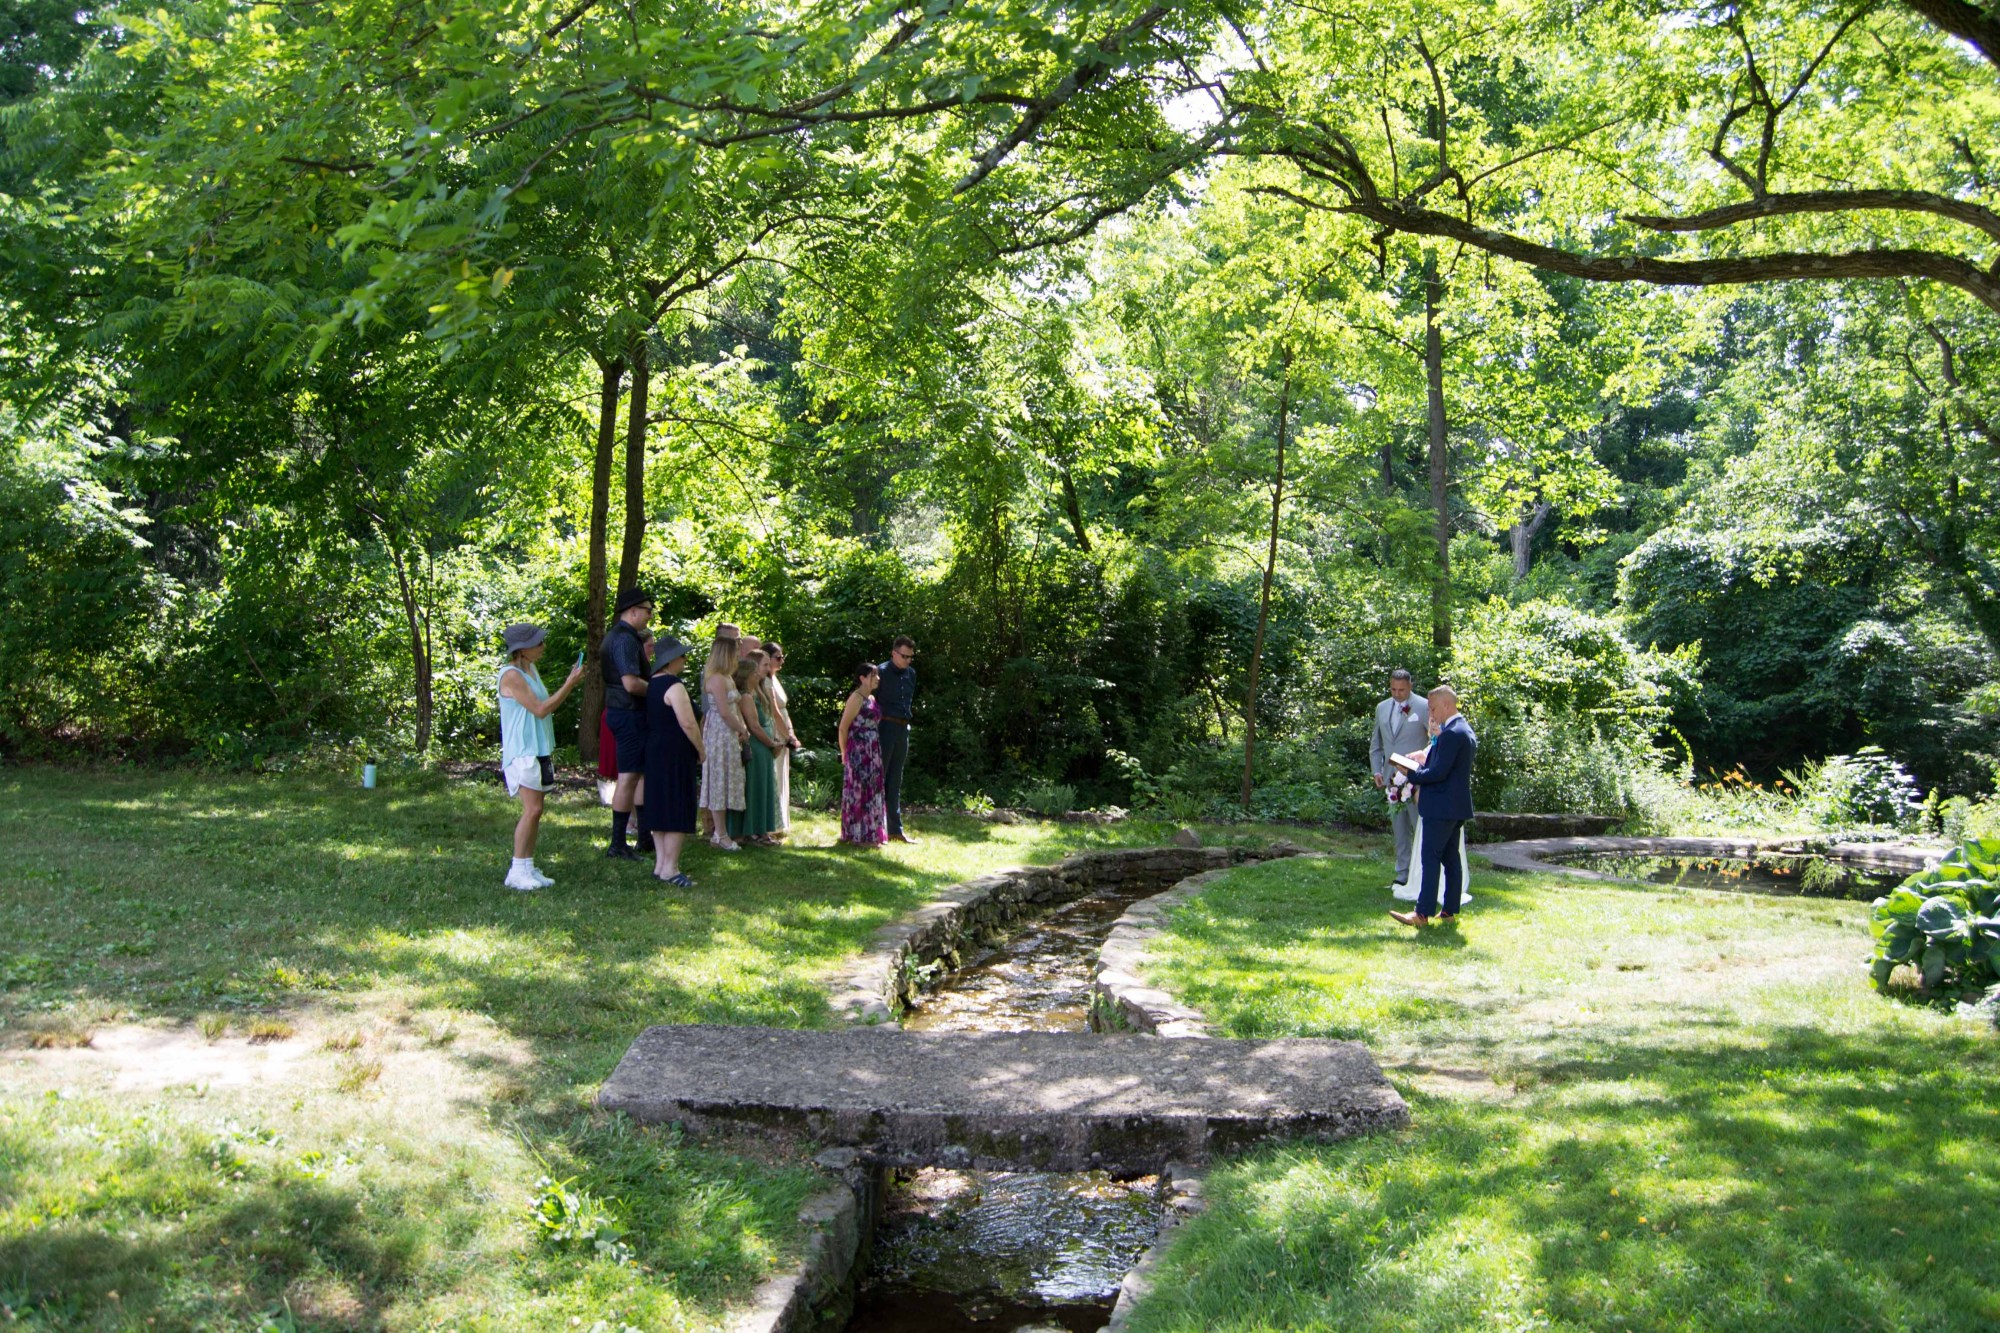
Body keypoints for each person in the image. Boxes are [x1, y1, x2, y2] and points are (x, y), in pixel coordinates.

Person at [497, 622, 584, 892]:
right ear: (522, 649)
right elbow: (541, 709)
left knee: (537, 811)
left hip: (538, 749)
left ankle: (527, 865)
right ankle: (517, 870)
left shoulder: (531, 670)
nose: (543, 646)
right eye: (538, 643)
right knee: (532, 810)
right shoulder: (511, 676)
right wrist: (570, 683)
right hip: (522, 751)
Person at [1392, 685, 1479, 928]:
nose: (1431, 713)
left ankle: (1422, 913)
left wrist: (1410, 773)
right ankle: (1449, 910)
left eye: (1433, 708)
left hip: (1441, 806)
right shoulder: (1463, 729)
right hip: (1454, 806)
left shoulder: (1452, 733)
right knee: (1451, 859)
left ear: (1446, 705)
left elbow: (1439, 772)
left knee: (1430, 859)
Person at [641, 635, 703, 887]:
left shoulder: (652, 684)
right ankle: (671, 868)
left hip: (655, 750)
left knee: (659, 805)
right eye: (682, 656)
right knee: (676, 806)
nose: (685, 660)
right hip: (674, 752)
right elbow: (687, 722)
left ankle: (661, 865)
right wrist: (701, 749)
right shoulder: (674, 686)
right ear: (672, 659)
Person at [600, 589, 653, 860]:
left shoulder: (624, 636)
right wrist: (659, 690)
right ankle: (618, 843)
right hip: (628, 713)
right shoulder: (623, 639)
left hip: (627, 712)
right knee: (628, 777)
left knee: (638, 774)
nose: (650, 616)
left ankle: (644, 837)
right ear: (632, 611)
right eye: (647, 610)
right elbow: (631, 683)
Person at [1370, 670, 1430, 897]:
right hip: (1391, 780)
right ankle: (1402, 873)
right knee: (1399, 829)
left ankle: (1423, 873)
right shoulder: (1382, 707)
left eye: (1401, 690)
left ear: (1410, 686)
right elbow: (1376, 744)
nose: (1397, 694)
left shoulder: (1424, 706)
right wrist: (1377, 769)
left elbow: (1434, 740)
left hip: (1417, 781)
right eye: (1393, 689)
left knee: (1419, 828)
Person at [699, 625, 750, 851]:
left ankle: (721, 833)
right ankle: (720, 833)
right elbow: (724, 711)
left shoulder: (727, 676)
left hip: (728, 732)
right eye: (734, 650)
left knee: (727, 778)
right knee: (718, 780)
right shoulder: (716, 678)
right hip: (720, 733)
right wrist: (743, 729)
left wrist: (739, 728)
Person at [728, 650, 783, 844]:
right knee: (756, 788)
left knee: (764, 787)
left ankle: (762, 830)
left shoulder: (758, 691)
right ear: (750, 673)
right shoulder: (746, 696)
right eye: (763, 666)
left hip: (764, 745)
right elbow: (754, 725)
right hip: (758, 745)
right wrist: (772, 743)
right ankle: (754, 831)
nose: (765, 671)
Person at [839, 661, 887, 846]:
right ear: (862, 678)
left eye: (877, 675)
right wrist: (844, 753)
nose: (878, 678)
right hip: (858, 751)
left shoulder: (871, 698)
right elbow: (843, 728)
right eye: (873, 675)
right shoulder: (856, 698)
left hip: (873, 749)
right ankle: (857, 835)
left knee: (872, 788)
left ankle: (872, 833)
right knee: (860, 789)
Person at [876, 635, 918, 843]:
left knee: (895, 780)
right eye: (904, 656)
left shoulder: (911, 674)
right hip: (885, 726)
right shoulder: (880, 672)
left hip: (902, 728)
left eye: (910, 657)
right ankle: (874, 829)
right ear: (893, 653)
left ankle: (895, 829)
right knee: (879, 778)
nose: (908, 660)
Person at [764, 641, 801, 838]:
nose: (781, 661)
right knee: (775, 775)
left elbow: (784, 711)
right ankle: (772, 824)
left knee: (782, 773)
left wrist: (791, 732)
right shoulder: (765, 682)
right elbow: (775, 712)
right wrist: (788, 737)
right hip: (775, 731)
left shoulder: (775, 679)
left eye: (782, 657)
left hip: (784, 729)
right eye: (778, 657)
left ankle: (780, 823)